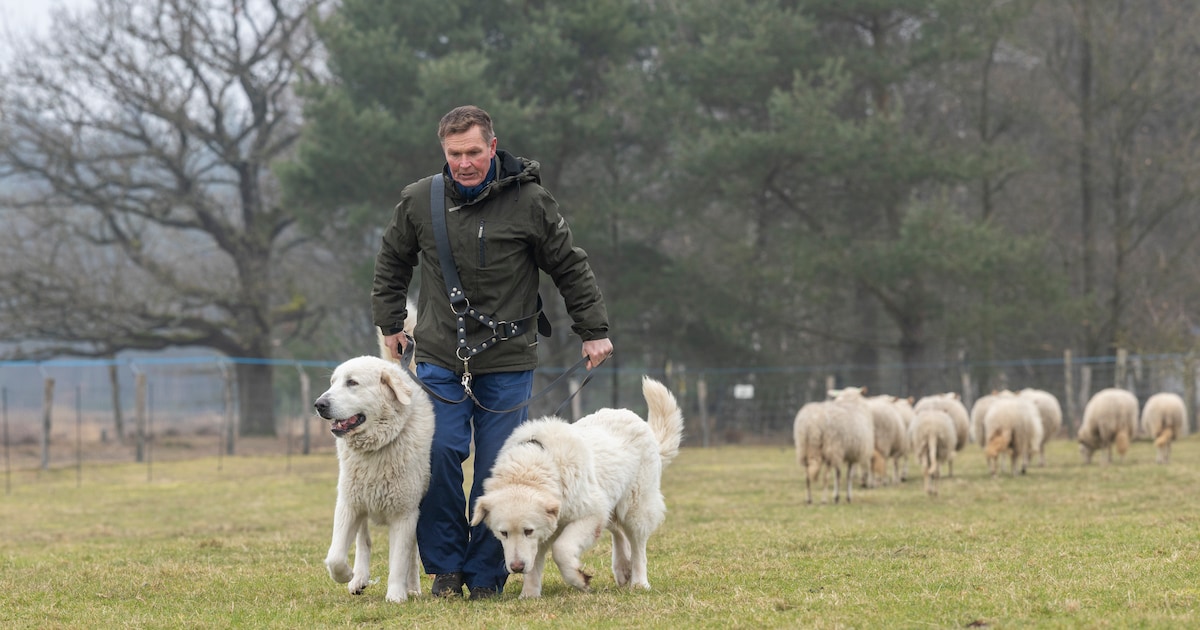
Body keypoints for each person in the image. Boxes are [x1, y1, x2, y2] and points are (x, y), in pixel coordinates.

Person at [372, 105, 613, 600]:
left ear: (493, 146)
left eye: (473, 152)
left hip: (508, 358)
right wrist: (391, 323)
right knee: (439, 454)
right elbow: (392, 261)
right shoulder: (419, 200)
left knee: (496, 470)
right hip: (440, 354)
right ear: (444, 151)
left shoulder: (531, 201)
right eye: (454, 153)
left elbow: (568, 265)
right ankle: (445, 568)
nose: (464, 163)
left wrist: (593, 330)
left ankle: (486, 576)